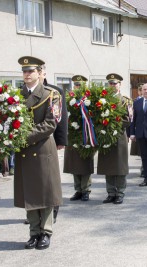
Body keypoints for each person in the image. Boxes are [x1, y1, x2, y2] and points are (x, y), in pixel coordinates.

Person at [15, 56, 62, 250]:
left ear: (40, 73)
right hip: (24, 150)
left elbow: (51, 123)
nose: (27, 74)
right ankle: (34, 232)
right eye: (24, 71)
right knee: (30, 192)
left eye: (31, 71)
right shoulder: (15, 95)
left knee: (45, 192)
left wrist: (24, 136)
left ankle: (46, 231)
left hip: (42, 149)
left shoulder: (52, 94)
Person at [97, 73, 131, 204]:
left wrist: (113, 125)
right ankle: (110, 192)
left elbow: (128, 119)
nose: (112, 86)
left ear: (120, 85)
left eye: (114, 83)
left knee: (120, 166)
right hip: (105, 136)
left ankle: (120, 192)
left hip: (119, 136)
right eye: (110, 83)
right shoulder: (102, 100)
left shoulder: (125, 101)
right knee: (108, 165)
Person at [40, 65, 68, 223]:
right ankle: (35, 211)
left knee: (51, 178)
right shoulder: (22, 92)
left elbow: (61, 118)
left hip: (50, 140)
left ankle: (53, 209)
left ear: (43, 73)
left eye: (39, 71)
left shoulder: (55, 91)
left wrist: (61, 139)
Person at [64, 75, 94, 202]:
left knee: (85, 164)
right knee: (74, 163)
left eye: (80, 85)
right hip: (72, 135)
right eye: (76, 85)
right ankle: (78, 190)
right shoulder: (69, 99)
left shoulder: (89, 99)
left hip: (85, 134)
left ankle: (85, 190)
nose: (77, 87)